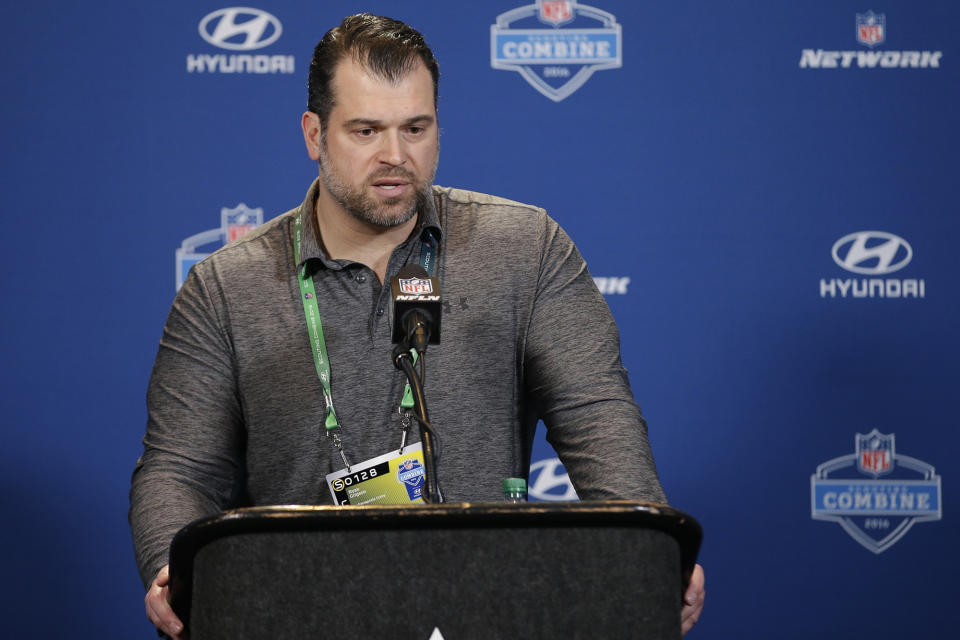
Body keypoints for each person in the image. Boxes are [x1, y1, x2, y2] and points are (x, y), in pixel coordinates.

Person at [132, 13, 705, 638]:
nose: (395, 156)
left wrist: (650, 549)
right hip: (296, 608)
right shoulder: (224, 288)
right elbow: (180, 468)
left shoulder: (525, 249)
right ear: (314, 134)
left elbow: (598, 416)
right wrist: (170, 563)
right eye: (366, 130)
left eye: (415, 128)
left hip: (491, 607)